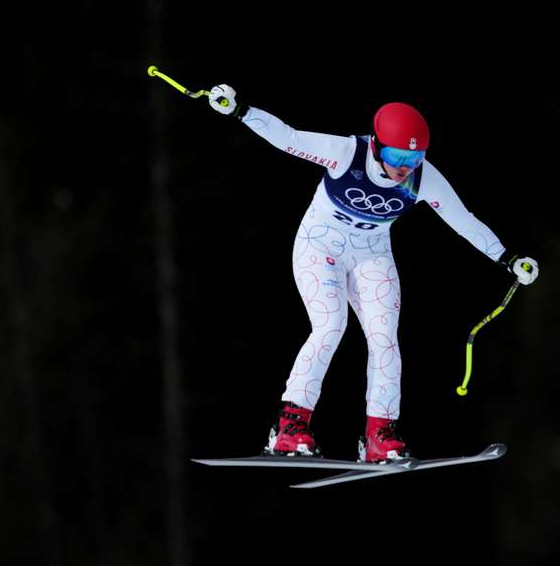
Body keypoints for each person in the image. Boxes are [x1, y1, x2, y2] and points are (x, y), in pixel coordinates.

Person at [208, 84, 538, 463]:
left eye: (414, 158)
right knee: (330, 326)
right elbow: (289, 138)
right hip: (319, 247)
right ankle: (289, 426)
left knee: (385, 340)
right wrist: (240, 109)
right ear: (378, 146)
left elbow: (461, 219)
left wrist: (508, 258)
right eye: (397, 155)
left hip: (371, 254)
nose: (404, 167)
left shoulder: (421, 178)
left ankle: (380, 435)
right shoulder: (347, 153)